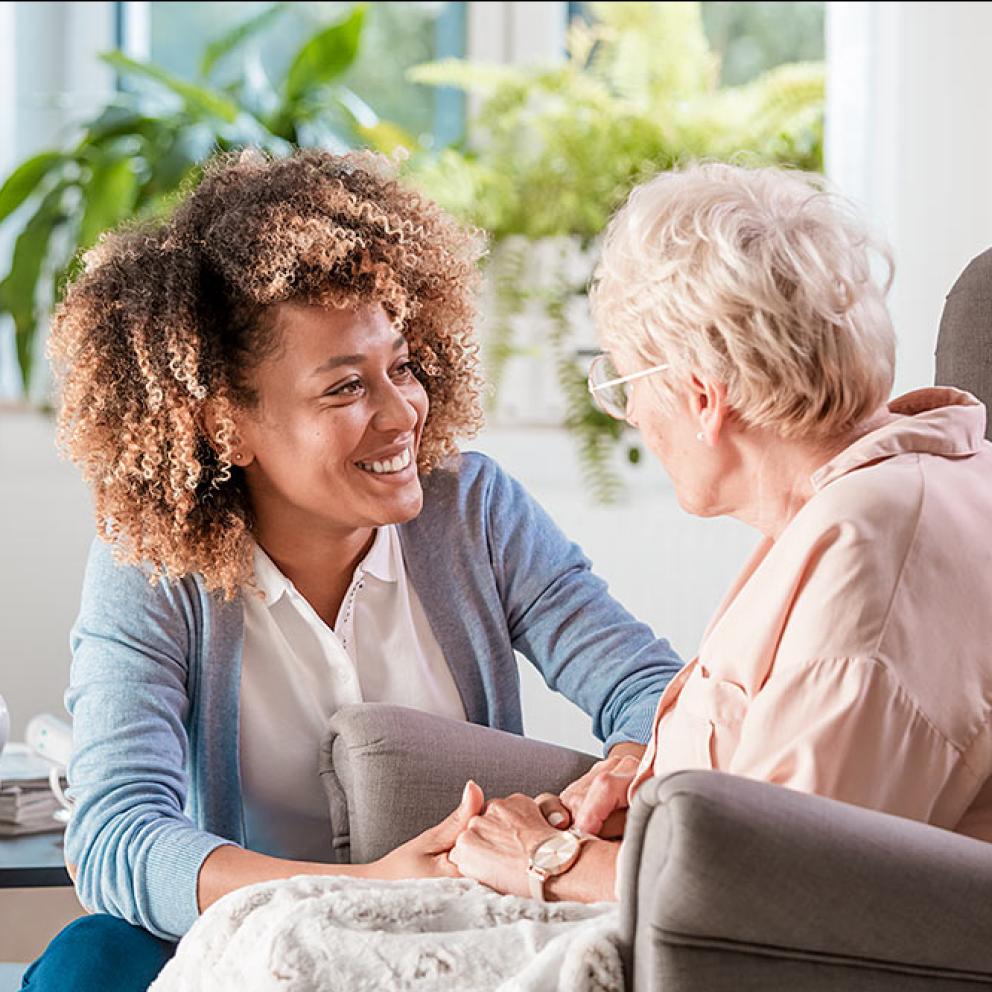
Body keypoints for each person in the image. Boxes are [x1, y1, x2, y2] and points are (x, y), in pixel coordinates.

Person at [19, 149, 682, 991]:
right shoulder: (152, 566)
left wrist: (619, 774)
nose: (404, 410)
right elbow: (119, 836)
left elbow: (651, 690)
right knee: (90, 962)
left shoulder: (473, 512)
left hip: (456, 931)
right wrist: (361, 890)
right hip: (251, 940)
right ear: (226, 426)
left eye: (400, 366)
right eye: (344, 389)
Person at [448, 161, 992, 903]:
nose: (633, 414)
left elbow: (780, 894)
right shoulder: (879, 496)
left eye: (626, 383)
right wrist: (647, 794)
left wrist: (547, 860)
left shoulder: (871, 549)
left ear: (702, 397)